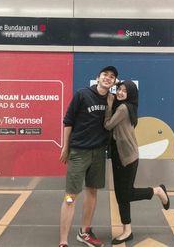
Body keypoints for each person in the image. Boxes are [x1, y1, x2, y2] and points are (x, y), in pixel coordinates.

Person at [104, 80, 170, 245]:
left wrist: (109, 105)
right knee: (121, 195)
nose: (120, 92)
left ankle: (157, 191)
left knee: (125, 194)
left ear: (130, 94)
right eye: (119, 89)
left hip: (127, 157)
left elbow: (107, 125)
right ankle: (127, 231)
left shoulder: (123, 108)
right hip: (121, 156)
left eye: (124, 91)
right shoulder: (127, 107)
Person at [59, 65, 118, 247]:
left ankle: (85, 231)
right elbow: (68, 121)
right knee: (71, 195)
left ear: (114, 82)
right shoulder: (82, 94)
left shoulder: (112, 99)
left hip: (99, 153)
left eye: (112, 76)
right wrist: (65, 146)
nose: (108, 78)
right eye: (105, 75)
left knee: (92, 191)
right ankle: (63, 241)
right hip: (78, 152)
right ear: (97, 77)